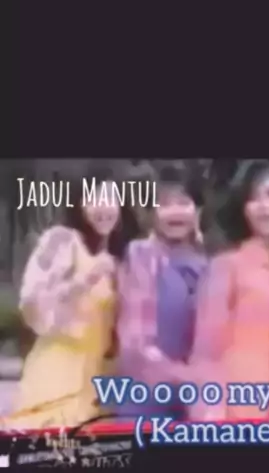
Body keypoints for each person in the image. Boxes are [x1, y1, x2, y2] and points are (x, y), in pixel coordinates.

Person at [2, 165, 140, 431]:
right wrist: (83, 281)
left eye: (110, 199)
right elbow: (32, 301)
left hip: (101, 375)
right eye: (94, 199)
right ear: (79, 204)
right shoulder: (62, 241)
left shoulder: (122, 255)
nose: (103, 207)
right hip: (60, 368)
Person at [189, 159, 269, 421]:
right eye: (254, 199)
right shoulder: (226, 265)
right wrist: (208, 412)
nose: (265, 207)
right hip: (238, 407)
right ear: (243, 208)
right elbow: (207, 350)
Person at [117, 161, 207, 419]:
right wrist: (188, 378)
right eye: (165, 204)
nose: (175, 212)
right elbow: (135, 345)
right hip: (146, 403)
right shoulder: (141, 256)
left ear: (197, 210)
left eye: (183, 203)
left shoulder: (207, 264)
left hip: (192, 407)